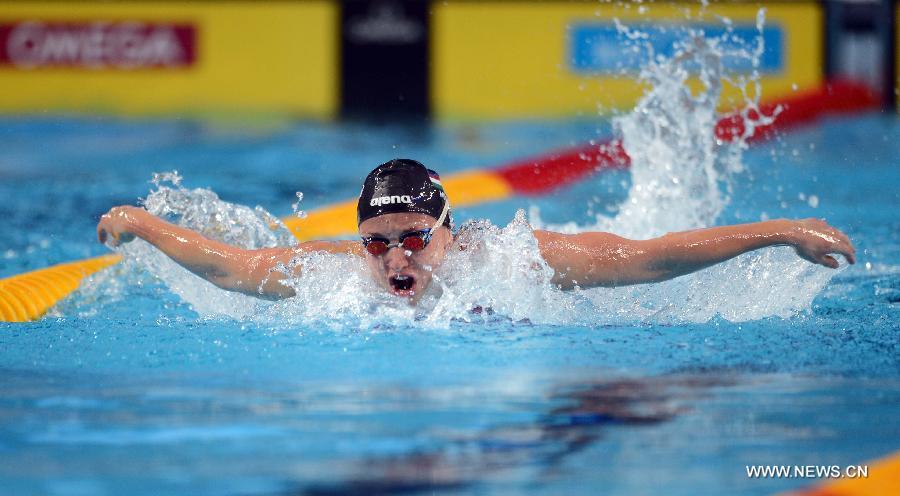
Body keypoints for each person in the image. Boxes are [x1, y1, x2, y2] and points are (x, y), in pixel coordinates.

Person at [97, 159, 856, 302]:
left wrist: (781, 230)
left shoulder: (514, 262)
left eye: (414, 237)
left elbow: (645, 260)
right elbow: (231, 267)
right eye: (376, 240)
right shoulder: (330, 276)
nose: (395, 256)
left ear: (448, 233)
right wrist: (141, 223)